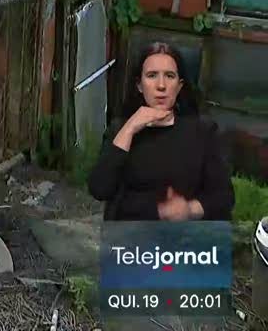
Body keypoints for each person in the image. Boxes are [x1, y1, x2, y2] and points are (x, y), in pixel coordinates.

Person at [88, 41, 234, 221]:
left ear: (179, 86)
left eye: (170, 76)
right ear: (139, 85)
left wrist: (188, 209)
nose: (161, 86)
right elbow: (100, 189)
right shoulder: (121, 129)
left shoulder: (202, 132)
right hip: (130, 240)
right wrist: (131, 127)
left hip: (184, 242)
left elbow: (223, 197)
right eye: (152, 75)